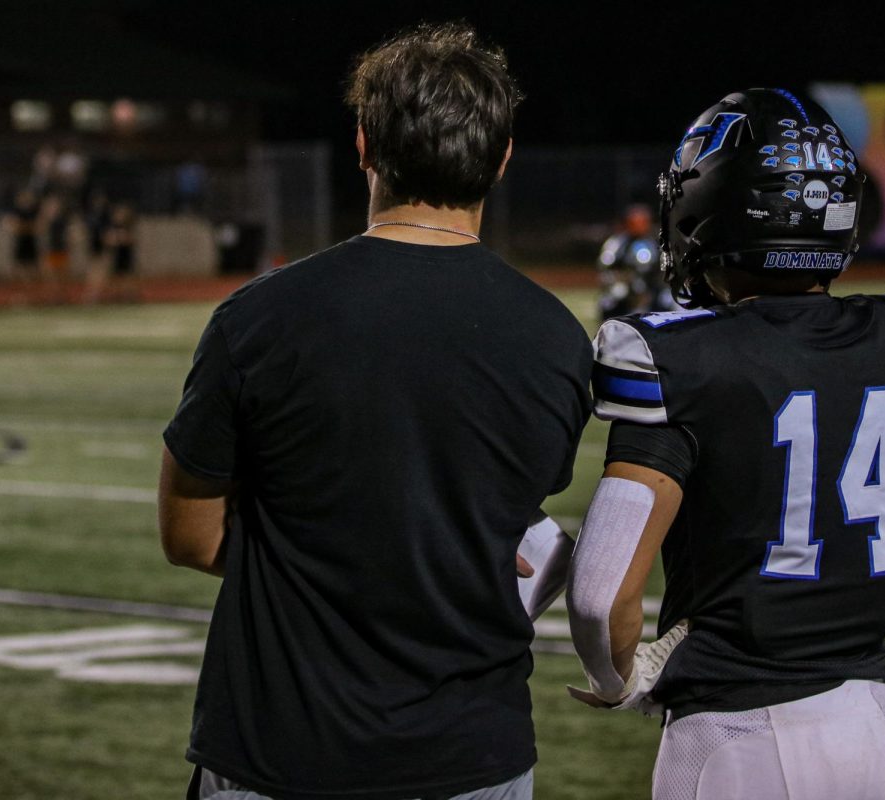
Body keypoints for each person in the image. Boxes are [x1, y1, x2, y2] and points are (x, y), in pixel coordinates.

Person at [566, 89, 885, 799]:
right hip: (883, 732)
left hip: (737, 739)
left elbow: (598, 592)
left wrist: (623, 679)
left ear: (713, 208)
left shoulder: (684, 359)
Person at [158, 23, 592, 800]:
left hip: (279, 746)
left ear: (363, 145)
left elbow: (189, 537)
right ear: (501, 158)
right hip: (471, 753)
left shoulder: (257, 318)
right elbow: (516, 524)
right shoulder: (558, 339)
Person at [597, 203, 672, 320]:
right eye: (635, 222)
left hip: (651, 287)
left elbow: (665, 269)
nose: (639, 226)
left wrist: (657, 286)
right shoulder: (617, 244)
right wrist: (626, 281)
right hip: (626, 287)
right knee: (612, 298)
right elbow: (606, 269)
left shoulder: (658, 243)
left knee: (667, 299)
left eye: (643, 222)